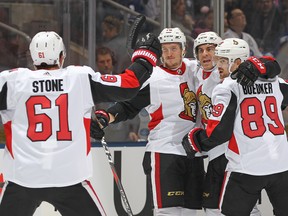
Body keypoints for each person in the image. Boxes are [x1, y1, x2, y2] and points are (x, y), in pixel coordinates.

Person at [0, 30, 161, 216]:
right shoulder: (79, 78)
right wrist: (145, 55)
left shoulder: (11, 81)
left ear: (33, 56)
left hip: (22, 179)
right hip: (69, 179)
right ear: (61, 56)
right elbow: (129, 85)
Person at [92, 27, 205, 216]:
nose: (169, 53)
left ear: (184, 49)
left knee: (190, 213)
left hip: (194, 153)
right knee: (167, 212)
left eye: (174, 48)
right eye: (165, 49)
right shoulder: (153, 77)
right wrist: (106, 117)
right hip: (165, 151)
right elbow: (128, 106)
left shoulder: (196, 70)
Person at [182, 52, 288, 215]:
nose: (218, 66)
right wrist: (264, 67)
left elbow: (218, 133)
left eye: (223, 61)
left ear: (238, 62)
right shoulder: (276, 82)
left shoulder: (228, 86)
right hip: (281, 165)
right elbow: (274, 67)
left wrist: (195, 140)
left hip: (246, 168)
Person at [195, 37, 262, 216]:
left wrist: (199, 141)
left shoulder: (229, 81)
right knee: (229, 208)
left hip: (230, 154)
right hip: (223, 154)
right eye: (201, 50)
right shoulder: (200, 76)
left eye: (211, 50)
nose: (206, 54)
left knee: (222, 208)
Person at [95, 46, 140, 142]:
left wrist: (133, 131)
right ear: (96, 64)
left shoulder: (122, 81)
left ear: (113, 61)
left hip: (124, 137)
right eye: (102, 62)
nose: (106, 65)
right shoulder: (92, 84)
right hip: (101, 138)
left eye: (108, 61)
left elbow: (131, 107)